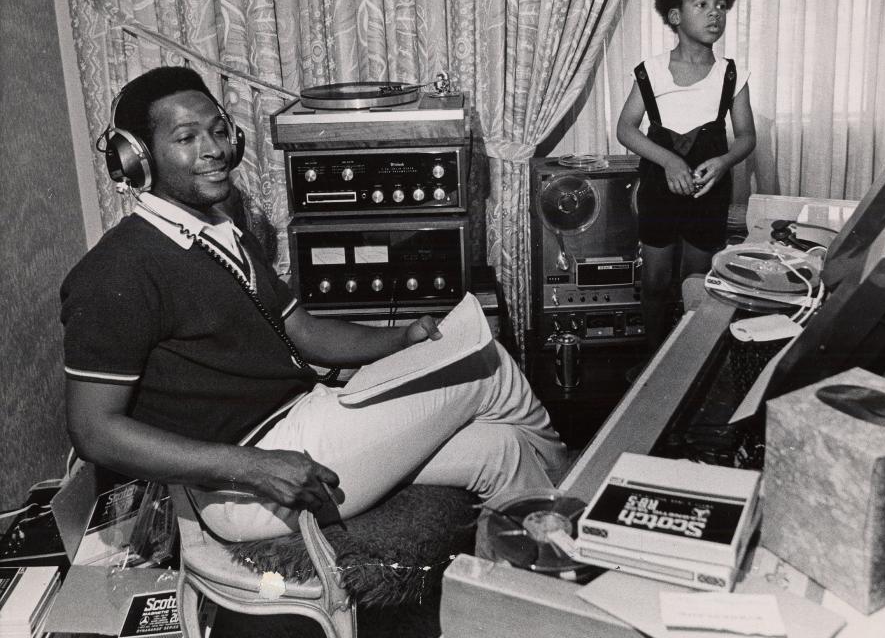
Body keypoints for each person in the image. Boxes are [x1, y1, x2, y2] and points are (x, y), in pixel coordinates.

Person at [61, 66, 566, 542]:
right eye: (187, 138)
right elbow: (94, 433)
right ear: (137, 160)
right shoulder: (114, 271)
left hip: (304, 418)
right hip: (244, 482)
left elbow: (301, 329)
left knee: (503, 452)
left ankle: (531, 590)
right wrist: (253, 466)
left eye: (218, 132)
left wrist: (401, 339)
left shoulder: (218, 228)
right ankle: (583, 504)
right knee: (486, 364)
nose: (213, 149)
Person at [617, 0, 756, 348]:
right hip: (659, 191)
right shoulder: (651, 71)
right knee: (656, 281)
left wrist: (723, 160)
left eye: (722, 5)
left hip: (708, 195)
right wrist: (668, 160)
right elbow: (626, 128)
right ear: (675, 15)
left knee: (696, 284)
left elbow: (747, 136)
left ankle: (688, 364)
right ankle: (651, 362)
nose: (715, 13)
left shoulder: (733, 75)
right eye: (702, 4)